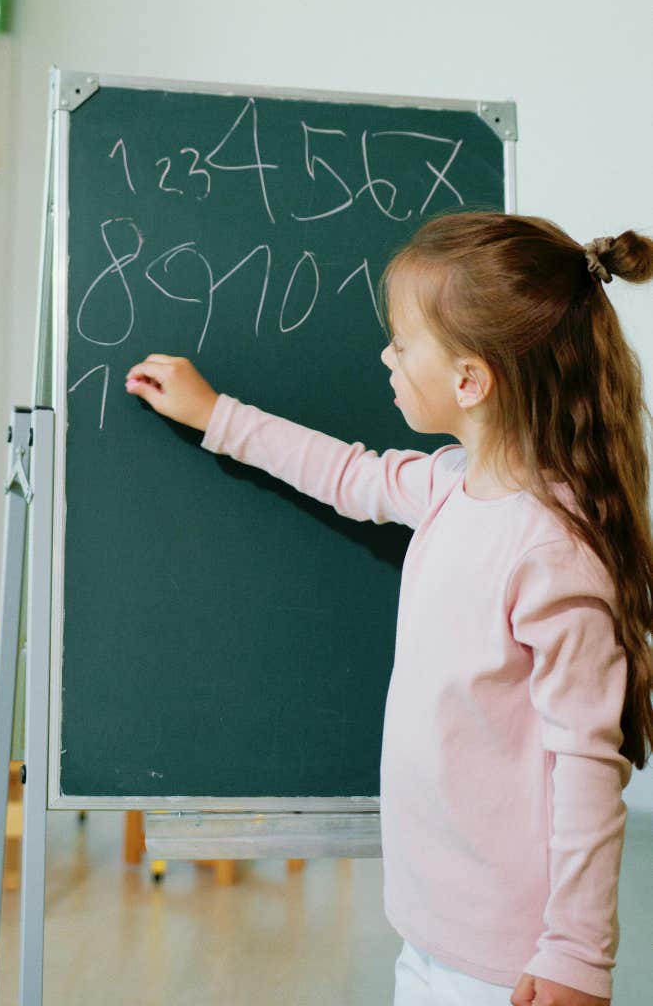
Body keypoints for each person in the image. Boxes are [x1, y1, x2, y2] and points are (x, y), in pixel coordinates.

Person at [125, 212, 653, 1006]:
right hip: (431, 924)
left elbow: (586, 761)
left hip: (510, 959)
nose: (387, 356)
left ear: (470, 380)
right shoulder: (451, 487)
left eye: (403, 345)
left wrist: (576, 952)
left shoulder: (548, 549)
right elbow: (346, 471)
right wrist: (215, 414)